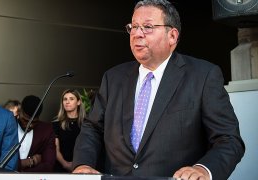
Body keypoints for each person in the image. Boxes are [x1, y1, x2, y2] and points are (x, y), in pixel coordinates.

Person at [72, 1, 245, 180]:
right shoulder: (113, 78)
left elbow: (228, 140)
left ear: (172, 36)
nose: (137, 34)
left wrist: (203, 170)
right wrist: (83, 164)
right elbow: (92, 128)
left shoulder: (203, 76)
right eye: (134, 26)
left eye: (147, 27)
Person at [17, 95, 56, 172]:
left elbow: (48, 164)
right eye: (26, 120)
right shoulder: (7, 124)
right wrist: (31, 161)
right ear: (19, 111)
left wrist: (23, 176)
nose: (29, 125)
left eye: (34, 122)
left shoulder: (47, 130)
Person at [52, 89, 85, 172]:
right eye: (65, 99)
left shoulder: (87, 124)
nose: (67, 102)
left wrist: (79, 165)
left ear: (78, 102)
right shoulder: (56, 124)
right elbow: (55, 148)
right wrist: (65, 164)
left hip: (83, 167)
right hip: (61, 168)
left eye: (71, 99)